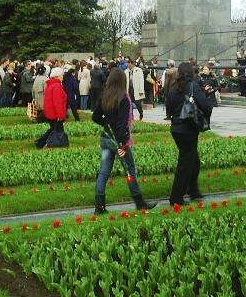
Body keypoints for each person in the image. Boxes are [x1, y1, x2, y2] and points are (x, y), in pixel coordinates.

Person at [91, 67, 157, 214]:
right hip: (119, 142)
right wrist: (122, 144)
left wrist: (106, 124)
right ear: (123, 81)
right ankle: (140, 203)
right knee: (130, 171)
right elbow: (122, 124)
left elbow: (95, 117)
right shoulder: (124, 98)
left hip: (106, 138)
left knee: (103, 172)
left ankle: (99, 207)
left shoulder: (104, 96)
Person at [165, 62, 214, 206]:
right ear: (191, 73)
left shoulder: (173, 87)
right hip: (188, 129)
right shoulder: (193, 86)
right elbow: (205, 106)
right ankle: (176, 198)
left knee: (194, 160)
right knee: (185, 164)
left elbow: (169, 108)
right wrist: (207, 98)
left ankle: (193, 190)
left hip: (176, 129)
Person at [35, 67, 68, 148]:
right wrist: (60, 115)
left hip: (50, 112)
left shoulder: (51, 85)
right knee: (58, 130)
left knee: (53, 129)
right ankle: (58, 144)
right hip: (55, 113)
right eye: (61, 75)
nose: (62, 77)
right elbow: (58, 102)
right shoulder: (57, 86)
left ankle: (40, 143)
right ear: (57, 76)